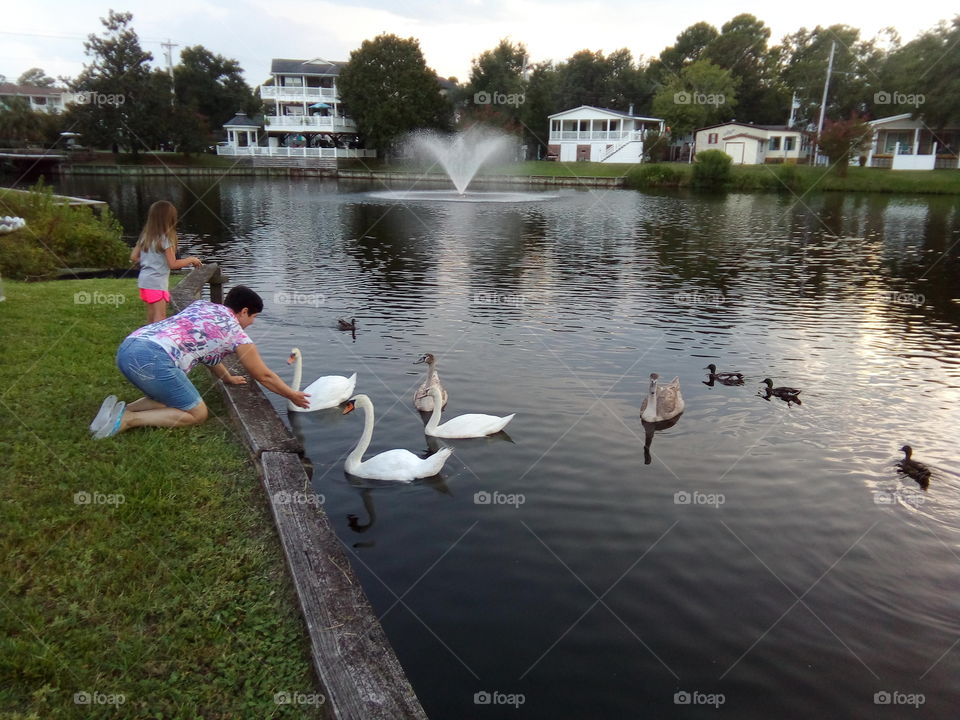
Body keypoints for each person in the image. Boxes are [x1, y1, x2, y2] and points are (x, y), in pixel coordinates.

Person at [89, 285, 310, 438]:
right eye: (253, 317)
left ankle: (119, 412)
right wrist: (292, 395)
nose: (251, 323)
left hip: (129, 346)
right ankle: (128, 419)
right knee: (197, 413)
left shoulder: (202, 306)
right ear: (244, 312)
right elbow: (264, 375)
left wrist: (228, 378)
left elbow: (207, 355)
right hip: (153, 358)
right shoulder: (236, 333)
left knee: (174, 397)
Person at [131, 200, 202, 324]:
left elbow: (133, 257)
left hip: (144, 281)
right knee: (160, 317)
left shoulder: (145, 236)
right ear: (169, 219)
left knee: (151, 316)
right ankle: (158, 340)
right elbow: (173, 264)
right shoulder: (166, 240)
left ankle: (149, 338)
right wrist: (191, 260)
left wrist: (150, 261)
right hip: (157, 283)